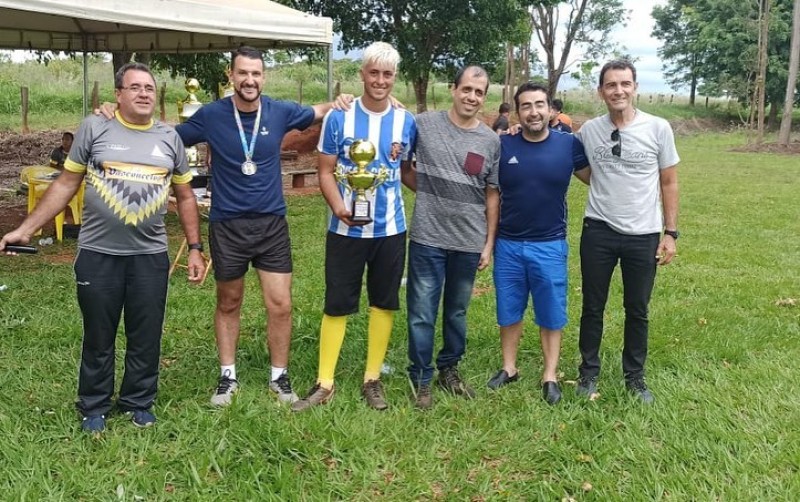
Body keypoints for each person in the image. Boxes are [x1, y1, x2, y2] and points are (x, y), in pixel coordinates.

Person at [1, 62, 204, 433]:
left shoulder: (169, 137)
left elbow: (186, 197)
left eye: (149, 87)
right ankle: (93, 406)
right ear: (119, 94)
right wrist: (26, 229)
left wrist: (194, 246)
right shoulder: (95, 127)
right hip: (98, 254)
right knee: (99, 334)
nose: (144, 93)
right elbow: (65, 183)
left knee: (146, 333)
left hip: (150, 255)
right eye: (135, 87)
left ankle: (138, 402)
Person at [176, 46, 346, 406]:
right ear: (231, 76)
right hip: (228, 225)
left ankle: (279, 377)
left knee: (281, 303)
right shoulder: (211, 115)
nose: (249, 80)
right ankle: (227, 377)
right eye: (243, 73)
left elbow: (316, 112)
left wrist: (344, 102)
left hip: (271, 224)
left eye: (256, 73)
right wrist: (119, 119)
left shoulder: (280, 110)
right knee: (229, 301)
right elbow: (169, 137)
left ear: (263, 77)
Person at [291, 42, 416, 412]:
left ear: (395, 78)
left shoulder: (405, 121)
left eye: (387, 74)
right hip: (346, 229)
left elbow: (407, 169)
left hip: (390, 229)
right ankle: (324, 382)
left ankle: (372, 379)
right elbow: (325, 171)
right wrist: (338, 207)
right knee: (338, 302)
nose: (380, 81)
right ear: (362, 74)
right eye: (373, 73)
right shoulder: (338, 117)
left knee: (384, 302)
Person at [575, 60, 680, 404]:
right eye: (610, 85)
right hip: (599, 231)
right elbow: (576, 164)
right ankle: (588, 373)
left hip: (644, 235)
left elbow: (669, 181)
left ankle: (634, 377)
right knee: (593, 306)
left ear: (635, 87)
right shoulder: (589, 130)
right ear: (601, 91)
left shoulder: (658, 128)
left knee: (637, 309)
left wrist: (670, 233)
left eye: (624, 84)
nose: (618, 91)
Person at [402, 65, 500, 410]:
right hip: (428, 238)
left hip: (468, 242)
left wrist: (488, 243)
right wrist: (430, 192)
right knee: (422, 312)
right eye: (467, 89)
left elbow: (491, 193)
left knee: (456, 312)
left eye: (479, 92)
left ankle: (450, 369)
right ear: (453, 89)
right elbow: (404, 168)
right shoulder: (423, 125)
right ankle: (421, 377)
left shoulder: (491, 140)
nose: (472, 97)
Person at [486, 83, 589, 405]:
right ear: (518, 112)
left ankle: (549, 374)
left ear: (550, 109)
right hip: (509, 245)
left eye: (540, 104)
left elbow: (596, 179)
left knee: (551, 312)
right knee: (508, 310)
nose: (534, 111)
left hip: (550, 244)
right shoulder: (504, 145)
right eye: (527, 106)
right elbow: (489, 191)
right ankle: (509, 367)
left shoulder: (569, 146)